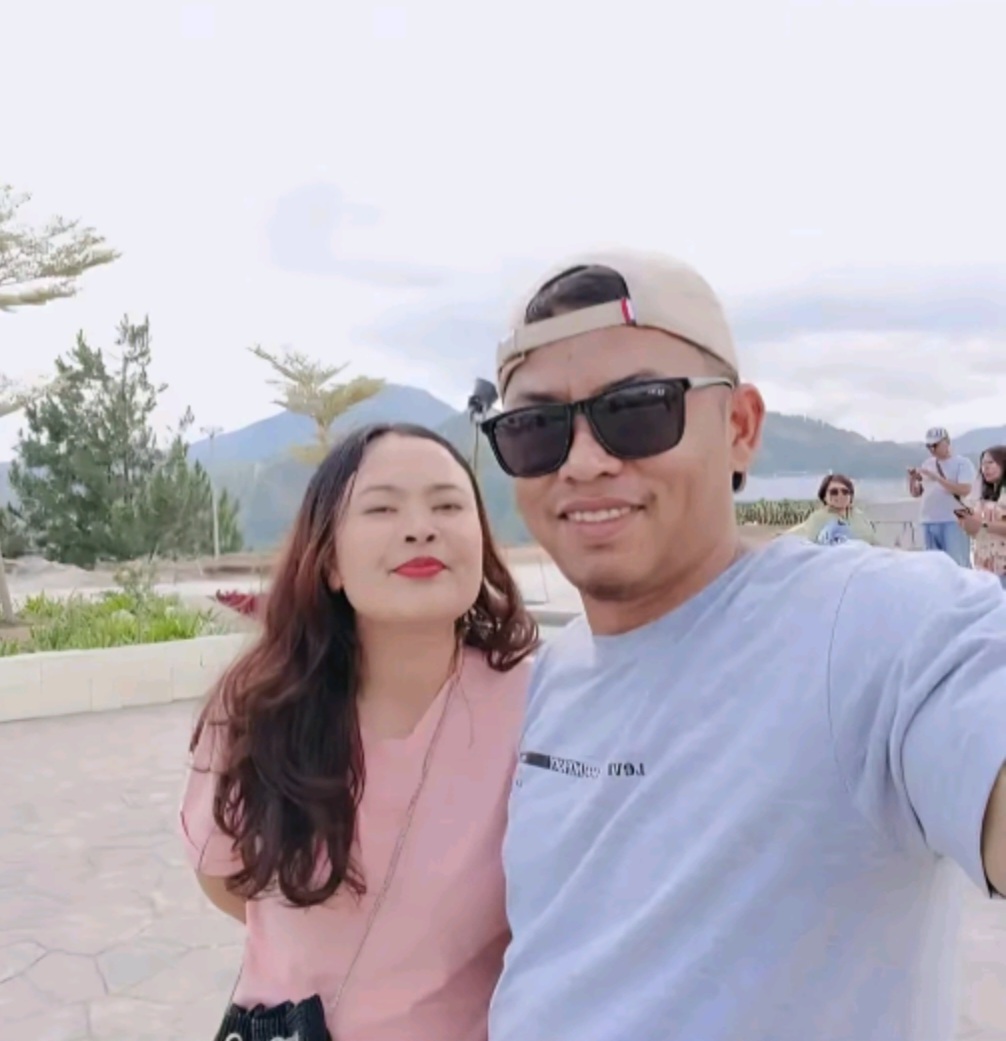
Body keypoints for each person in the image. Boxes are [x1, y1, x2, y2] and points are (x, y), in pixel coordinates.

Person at [479, 249, 1006, 1041]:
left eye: (637, 410)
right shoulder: (551, 674)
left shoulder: (872, 626)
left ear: (740, 428)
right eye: (534, 428)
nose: (583, 462)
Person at [179, 423, 537, 1041]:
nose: (420, 528)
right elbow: (224, 874)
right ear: (330, 562)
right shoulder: (259, 704)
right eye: (382, 508)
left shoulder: (540, 705)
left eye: (448, 505)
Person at [907, 426, 975, 566]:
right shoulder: (927, 464)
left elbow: (964, 490)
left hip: (953, 521)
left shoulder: (962, 463)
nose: (932, 449)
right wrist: (912, 479)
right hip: (928, 520)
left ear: (947, 442)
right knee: (933, 566)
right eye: (928, 446)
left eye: (935, 445)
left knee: (957, 564)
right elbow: (917, 493)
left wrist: (937, 478)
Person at [957, 445, 1006, 589]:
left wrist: (982, 526)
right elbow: (976, 531)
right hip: (984, 566)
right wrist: (967, 524)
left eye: (991, 463)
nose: (986, 468)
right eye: (983, 464)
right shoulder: (981, 497)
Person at [783, 473, 878, 546]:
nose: (840, 495)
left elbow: (873, 542)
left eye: (845, 492)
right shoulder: (817, 518)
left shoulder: (860, 517)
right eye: (834, 492)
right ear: (824, 496)